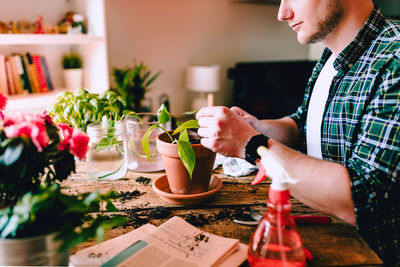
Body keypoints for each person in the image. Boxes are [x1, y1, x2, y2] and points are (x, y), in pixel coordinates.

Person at [196, 0, 400, 265]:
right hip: (322, 237)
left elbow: (365, 197)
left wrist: (251, 144)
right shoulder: (330, 54)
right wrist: (255, 128)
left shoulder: (394, 61)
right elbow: (303, 124)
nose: (282, 13)